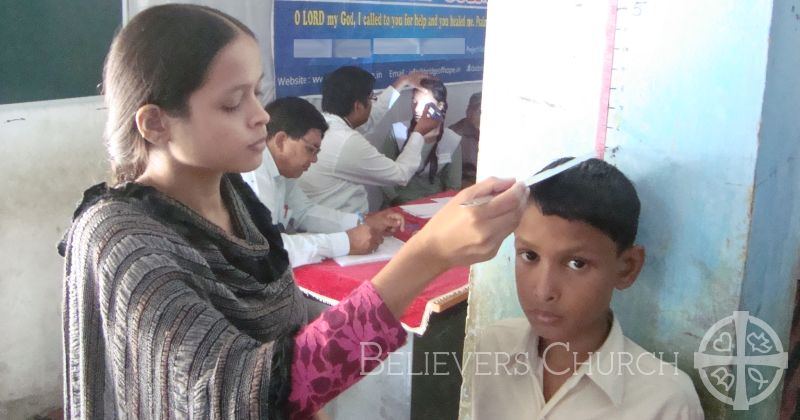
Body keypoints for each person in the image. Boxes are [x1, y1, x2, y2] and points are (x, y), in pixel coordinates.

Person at [57, 4, 527, 420]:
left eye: (257, 93)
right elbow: (244, 395)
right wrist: (428, 254)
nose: (261, 115)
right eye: (232, 102)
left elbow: (288, 354)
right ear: (156, 122)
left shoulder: (236, 201)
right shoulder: (123, 242)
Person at [470, 158, 704, 419]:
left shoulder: (664, 401)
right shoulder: (493, 346)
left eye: (576, 263)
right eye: (529, 255)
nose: (543, 291)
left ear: (627, 268)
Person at [241, 96, 404, 267]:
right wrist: (345, 242)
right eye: (310, 150)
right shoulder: (252, 171)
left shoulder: (282, 170)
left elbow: (304, 212)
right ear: (281, 140)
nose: (314, 160)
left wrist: (361, 222)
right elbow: (267, 249)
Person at [297, 66, 442, 213]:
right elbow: (400, 175)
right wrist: (418, 133)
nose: (373, 104)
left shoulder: (323, 124)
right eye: (372, 98)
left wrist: (402, 82)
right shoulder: (346, 141)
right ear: (358, 106)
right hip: (340, 226)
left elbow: (373, 115)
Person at [379, 78, 462, 206]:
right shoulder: (398, 132)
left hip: (434, 205)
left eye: (424, 104)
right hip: (398, 202)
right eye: (414, 102)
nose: (417, 109)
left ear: (440, 106)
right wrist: (396, 201)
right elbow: (383, 176)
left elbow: (453, 185)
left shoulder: (452, 140)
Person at [449, 92, 481, 187]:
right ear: (469, 112)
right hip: (466, 185)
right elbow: (451, 176)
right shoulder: (455, 134)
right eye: (479, 112)